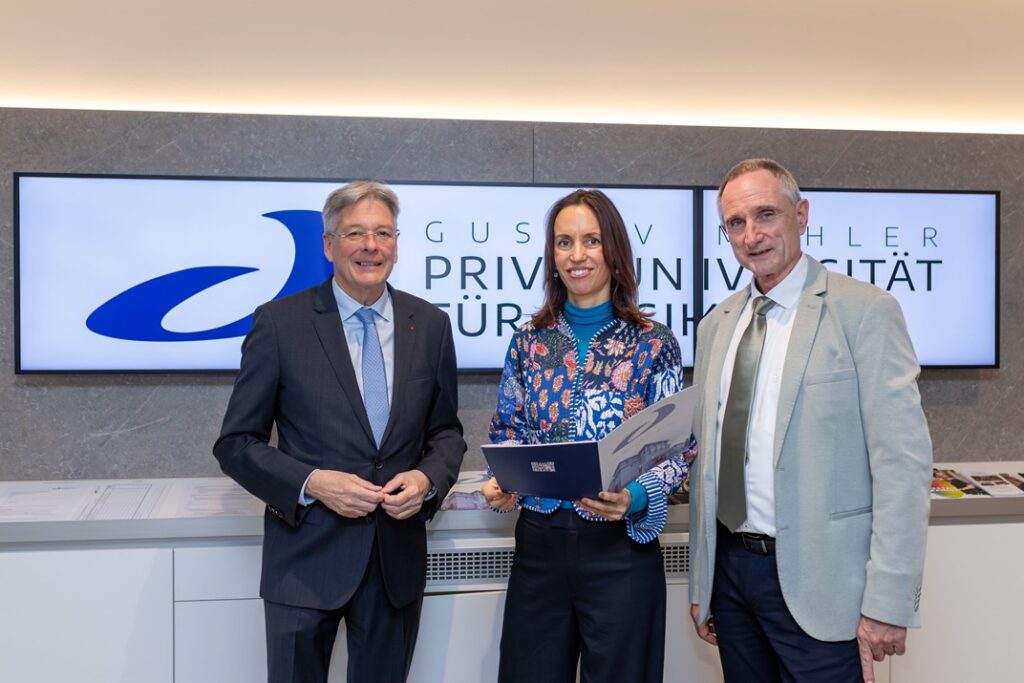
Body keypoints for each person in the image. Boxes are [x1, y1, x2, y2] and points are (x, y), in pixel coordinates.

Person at [688, 159, 932, 683]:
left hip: (823, 588)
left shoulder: (864, 312)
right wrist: (701, 585)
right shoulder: (717, 326)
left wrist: (888, 599)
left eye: (766, 214)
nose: (752, 235)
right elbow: (707, 466)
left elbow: (902, 466)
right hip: (731, 579)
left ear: (801, 215)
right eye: (736, 223)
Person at [213, 181, 466, 683]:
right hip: (304, 562)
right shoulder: (279, 324)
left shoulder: (431, 324)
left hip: (395, 562)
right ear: (329, 245)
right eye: (355, 233)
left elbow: (447, 434)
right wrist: (313, 483)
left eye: (382, 233)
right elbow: (236, 444)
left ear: (396, 243)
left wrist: (425, 481)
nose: (370, 246)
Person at [481, 189, 695, 683]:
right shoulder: (528, 341)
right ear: (551, 256)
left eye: (591, 241)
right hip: (539, 547)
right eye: (564, 243)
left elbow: (678, 448)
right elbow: (508, 429)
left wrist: (637, 495)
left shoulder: (653, 342)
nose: (576, 255)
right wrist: (505, 480)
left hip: (620, 550)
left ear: (614, 250)